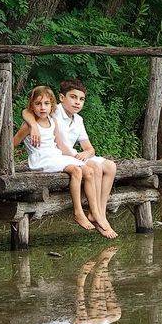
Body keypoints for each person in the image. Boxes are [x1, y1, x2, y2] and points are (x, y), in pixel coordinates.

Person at [14, 86, 94, 232]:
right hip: (41, 159)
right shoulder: (28, 125)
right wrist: (2, 160)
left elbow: (61, 145)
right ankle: (78, 212)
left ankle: (93, 211)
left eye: (46, 104)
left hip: (55, 155)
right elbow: (13, 143)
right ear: (32, 106)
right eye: (38, 104)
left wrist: (74, 156)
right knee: (76, 170)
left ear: (52, 105)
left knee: (87, 170)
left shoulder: (52, 121)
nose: (42, 108)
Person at [57, 79, 119, 239]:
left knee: (111, 166)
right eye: (73, 97)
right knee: (96, 168)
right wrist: (82, 156)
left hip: (75, 155)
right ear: (62, 97)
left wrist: (86, 153)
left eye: (81, 99)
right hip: (61, 155)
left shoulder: (78, 120)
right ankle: (96, 213)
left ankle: (99, 213)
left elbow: (90, 148)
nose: (77, 102)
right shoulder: (54, 113)